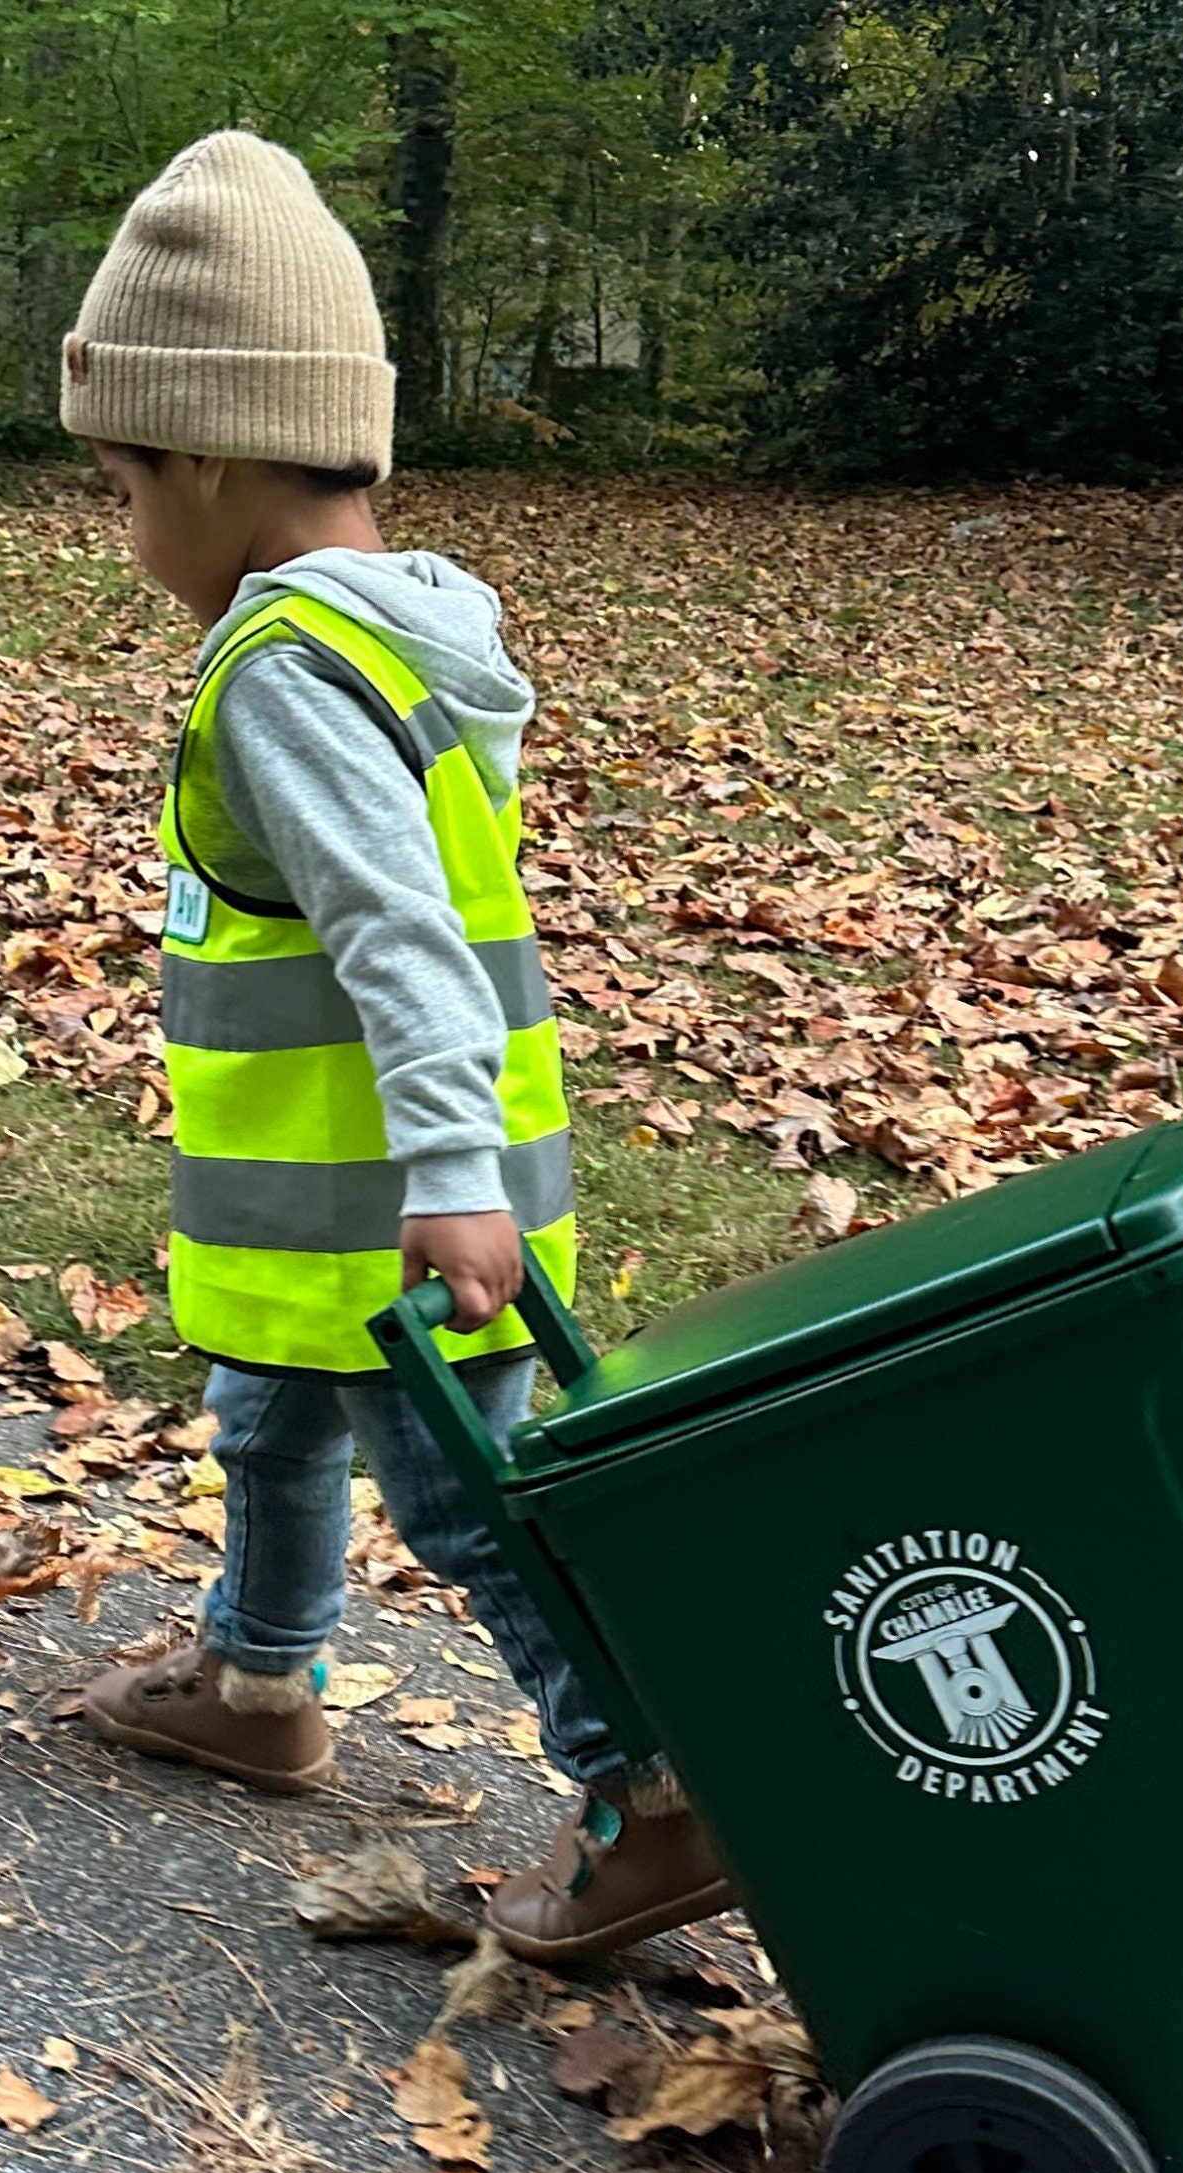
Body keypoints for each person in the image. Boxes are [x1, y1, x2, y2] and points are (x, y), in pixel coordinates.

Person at [56, 130, 728, 1964]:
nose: (129, 540)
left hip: (407, 1214)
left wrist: (448, 1177)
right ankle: (261, 1681)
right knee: (267, 1427)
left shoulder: (285, 666)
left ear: (207, 448)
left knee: (472, 1502)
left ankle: (651, 1792)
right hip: (327, 1226)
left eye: (125, 484)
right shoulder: (404, 632)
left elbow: (397, 936)